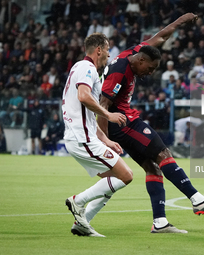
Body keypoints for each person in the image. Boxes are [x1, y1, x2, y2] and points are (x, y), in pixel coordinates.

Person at [98, 13, 204, 234]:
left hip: (121, 123)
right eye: (149, 68)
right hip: (123, 123)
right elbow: (103, 104)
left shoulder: (135, 53)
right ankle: (197, 199)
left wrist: (180, 22)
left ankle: (160, 223)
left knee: (154, 169)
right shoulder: (120, 70)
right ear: (141, 60)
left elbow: (160, 37)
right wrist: (104, 139)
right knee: (164, 153)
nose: (150, 73)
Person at [62, 33, 133, 237]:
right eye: (108, 50)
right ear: (99, 50)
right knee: (126, 175)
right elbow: (83, 97)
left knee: (113, 179)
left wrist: (106, 140)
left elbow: (88, 117)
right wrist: (109, 114)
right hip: (81, 138)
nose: (109, 55)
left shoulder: (78, 67)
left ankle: (82, 223)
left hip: (83, 136)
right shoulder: (87, 68)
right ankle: (78, 201)